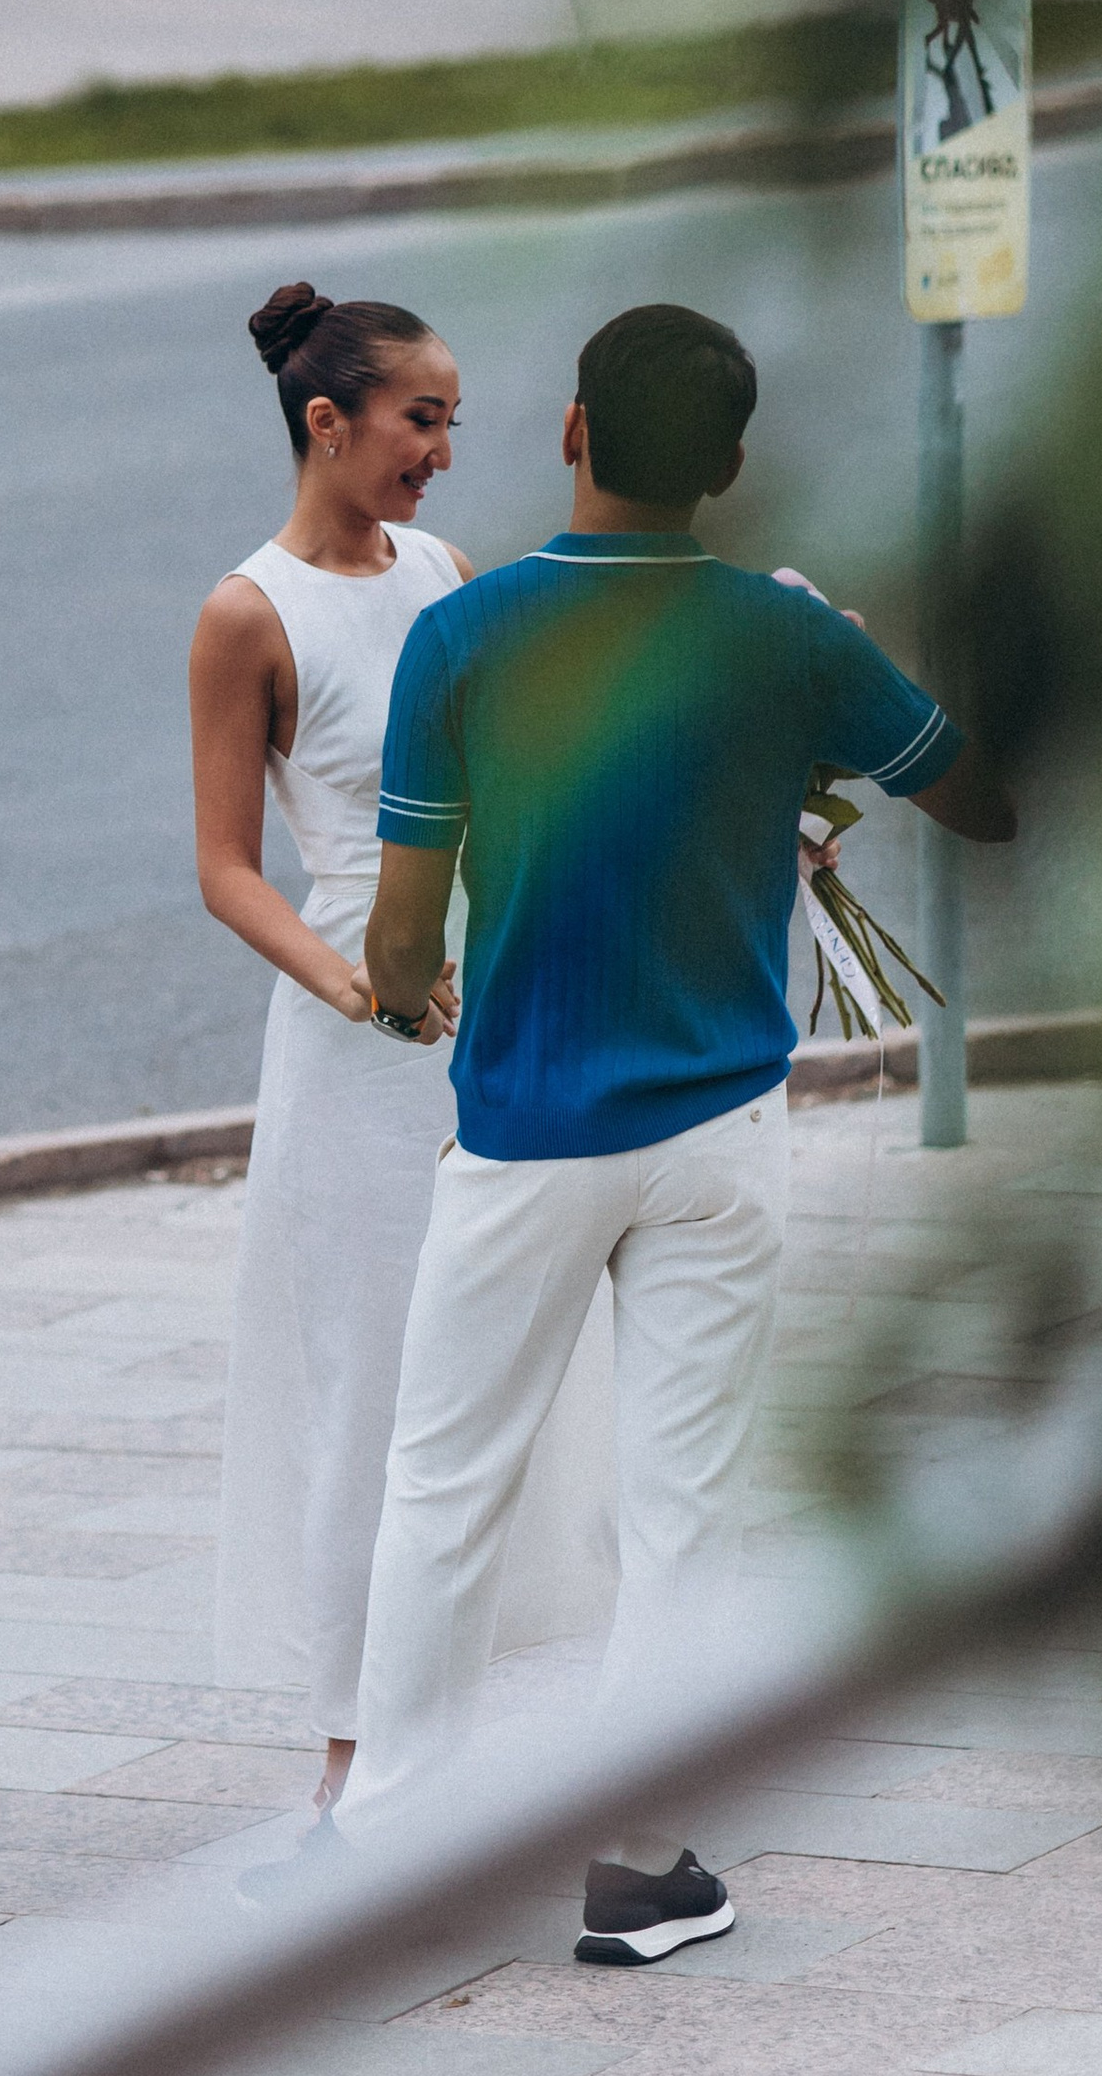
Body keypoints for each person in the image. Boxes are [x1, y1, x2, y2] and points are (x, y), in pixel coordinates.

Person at [334, 300, 1016, 1959]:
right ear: (726, 466)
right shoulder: (782, 639)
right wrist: (827, 701)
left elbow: (407, 937)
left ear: (570, 431)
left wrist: (415, 994)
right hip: (720, 1128)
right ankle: (642, 1867)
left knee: (444, 1483)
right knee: (679, 1504)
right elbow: (978, 795)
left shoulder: (468, 637)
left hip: (523, 1121)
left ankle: (387, 1854)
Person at [192, 285, 616, 1818]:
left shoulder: (443, 571)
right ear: (330, 422)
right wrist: (357, 984)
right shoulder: (250, 613)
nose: (442, 452)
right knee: (368, 1382)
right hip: (358, 1040)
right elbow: (228, 865)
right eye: (420, 420)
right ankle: (349, 1755)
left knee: (500, 1366)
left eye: (451, 423)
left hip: (489, 1004)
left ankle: (452, 1710)